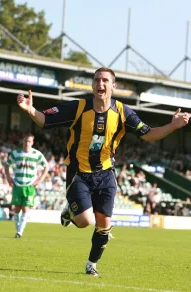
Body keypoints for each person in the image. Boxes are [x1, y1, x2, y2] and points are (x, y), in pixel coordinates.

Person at [16, 67, 190, 276]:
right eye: (97, 80)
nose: (101, 84)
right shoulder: (79, 108)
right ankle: (71, 211)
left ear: (113, 86)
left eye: (105, 81)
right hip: (79, 172)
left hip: (106, 173)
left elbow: (148, 134)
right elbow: (45, 119)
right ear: (92, 84)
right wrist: (29, 110)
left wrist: (172, 126)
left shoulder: (123, 113)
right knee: (84, 222)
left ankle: (92, 264)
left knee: (104, 225)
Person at [4, 133, 49, 238]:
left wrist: (39, 180)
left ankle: (19, 232)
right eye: (25, 141)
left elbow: (46, 167)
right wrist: (8, 177)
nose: (27, 143)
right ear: (22, 141)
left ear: (32, 143)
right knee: (17, 209)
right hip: (18, 185)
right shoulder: (16, 153)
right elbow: (6, 165)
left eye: (29, 141)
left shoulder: (37, 154)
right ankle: (18, 229)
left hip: (29, 186)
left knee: (25, 209)